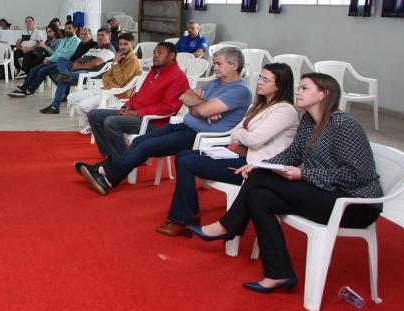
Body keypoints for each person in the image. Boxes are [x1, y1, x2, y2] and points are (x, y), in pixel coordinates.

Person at [189, 73, 383, 294]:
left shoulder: (343, 124)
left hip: (355, 204)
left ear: (324, 94)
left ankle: (228, 225)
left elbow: (358, 174)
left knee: (261, 179)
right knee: (259, 196)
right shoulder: (309, 121)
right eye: (298, 87)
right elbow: (293, 153)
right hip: (326, 193)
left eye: (305, 88)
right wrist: (261, 164)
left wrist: (304, 174)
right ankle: (279, 273)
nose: (298, 92)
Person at [77, 47, 251, 195]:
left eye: (219, 63)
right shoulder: (216, 83)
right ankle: (104, 169)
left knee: (145, 146)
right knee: (139, 140)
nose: (215, 67)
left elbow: (201, 108)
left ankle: (106, 178)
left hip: (200, 136)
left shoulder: (240, 90)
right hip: (184, 126)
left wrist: (201, 107)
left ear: (234, 65)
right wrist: (201, 107)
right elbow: (185, 95)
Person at [156, 63, 298, 237]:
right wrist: (242, 135)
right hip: (242, 157)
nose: (259, 82)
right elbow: (234, 134)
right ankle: (189, 213)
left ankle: (181, 219)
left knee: (186, 161)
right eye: (260, 77)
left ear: (279, 84)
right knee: (183, 155)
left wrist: (242, 135)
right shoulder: (257, 107)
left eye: (265, 79)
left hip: (257, 168)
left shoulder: (285, 110)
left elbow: (254, 139)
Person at [68, 32, 143, 133]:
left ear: (132, 44)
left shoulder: (133, 61)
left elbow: (121, 82)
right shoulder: (120, 56)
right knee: (71, 98)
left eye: (126, 44)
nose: (122, 46)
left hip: (118, 93)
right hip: (107, 88)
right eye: (121, 44)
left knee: (84, 106)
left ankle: (94, 124)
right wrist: (110, 81)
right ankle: (92, 124)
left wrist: (115, 63)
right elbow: (106, 76)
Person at [40, 28, 116, 114]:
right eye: (98, 35)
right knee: (61, 60)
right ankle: (66, 75)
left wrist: (80, 66)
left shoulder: (109, 49)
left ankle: (55, 106)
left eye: (102, 35)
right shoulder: (95, 47)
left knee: (62, 79)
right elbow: (82, 57)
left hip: (90, 73)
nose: (99, 37)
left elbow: (95, 63)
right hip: (78, 69)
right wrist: (75, 64)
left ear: (109, 37)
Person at [7, 25, 81, 97]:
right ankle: (24, 88)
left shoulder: (74, 41)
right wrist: (49, 58)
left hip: (62, 63)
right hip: (53, 59)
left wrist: (49, 57)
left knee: (41, 71)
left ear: (75, 29)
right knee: (33, 69)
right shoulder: (64, 39)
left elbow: (65, 55)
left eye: (69, 28)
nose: (67, 30)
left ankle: (30, 90)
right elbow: (58, 52)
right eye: (66, 28)